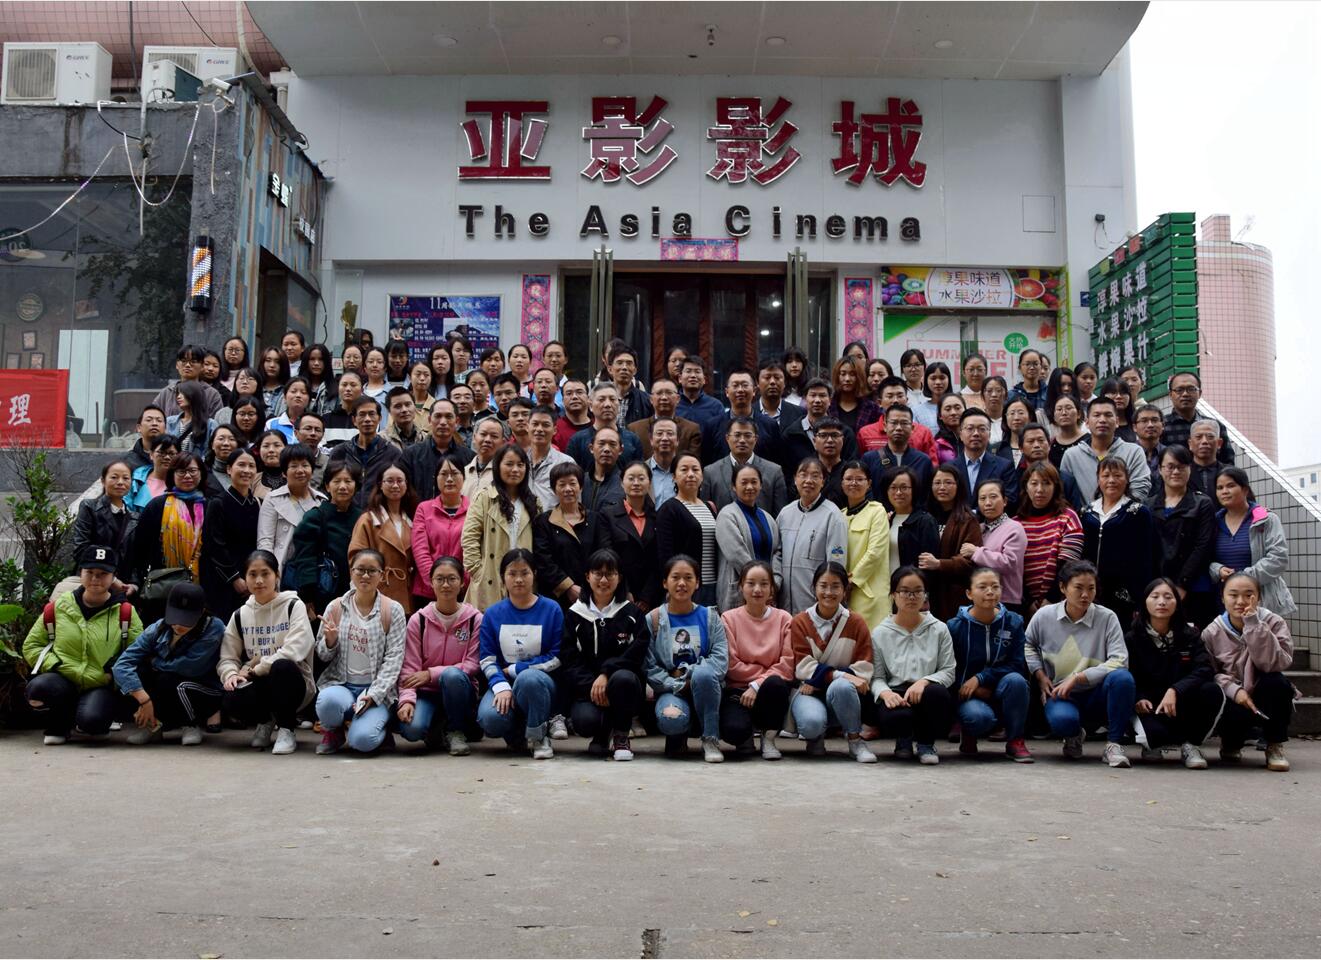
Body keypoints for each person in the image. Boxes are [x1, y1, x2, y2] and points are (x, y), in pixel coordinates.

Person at [23, 545, 144, 745]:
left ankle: (89, 720)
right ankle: (60, 724)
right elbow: (32, 645)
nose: (95, 579)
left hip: (100, 682)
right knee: (39, 689)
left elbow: (137, 653)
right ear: (81, 573)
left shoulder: (125, 613)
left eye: (103, 574)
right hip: (62, 677)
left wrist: (111, 674)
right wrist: (55, 664)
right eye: (90, 572)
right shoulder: (59, 606)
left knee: (93, 722)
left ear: (113, 577)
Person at [1024, 559, 1135, 767]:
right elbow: (1028, 644)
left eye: (1091, 588)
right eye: (1078, 588)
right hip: (1060, 693)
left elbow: (1120, 660)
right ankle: (1073, 734)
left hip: (1098, 691)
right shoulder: (1044, 616)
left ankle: (1114, 744)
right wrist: (1039, 674)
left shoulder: (1107, 617)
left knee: (1123, 679)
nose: (1085, 595)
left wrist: (1079, 677)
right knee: (1062, 722)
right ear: (1062, 587)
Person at [218, 550, 316, 756]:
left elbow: (294, 650)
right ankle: (265, 721)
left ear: (277, 576)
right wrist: (231, 674)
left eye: (265, 573)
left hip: (294, 681)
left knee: (282, 667)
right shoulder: (240, 614)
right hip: (260, 680)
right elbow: (227, 657)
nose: (259, 580)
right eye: (252, 574)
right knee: (231, 696)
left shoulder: (293, 605)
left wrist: (254, 670)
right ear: (245, 578)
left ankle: (287, 728)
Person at [313, 548, 407, 755]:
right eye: (360, 570)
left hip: (376, 689)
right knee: (327, 702)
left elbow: (394, 660)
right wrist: (330, 641)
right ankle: (334, 732)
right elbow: (322, 655)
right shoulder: (335, 607)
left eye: (372, 571)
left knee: (362, 741)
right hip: (342, 684)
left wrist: (373, 694)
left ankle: (380, 729)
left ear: (382, 575)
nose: (365, 575)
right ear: (351, 572)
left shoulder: (392, 610)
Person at [559, 548, 650, 760]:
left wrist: (606, 674)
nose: (603, 580)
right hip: (588, 690)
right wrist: (593, 686)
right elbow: (569, 659)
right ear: (587, 576)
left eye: (610, 574)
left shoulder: (632, 614)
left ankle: (621, 735)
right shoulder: (575, 614)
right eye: (598, 573)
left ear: (619, 577)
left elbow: (636, 654)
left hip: (625, 687)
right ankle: (601, 734)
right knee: (584, 722)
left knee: (624, 679)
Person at [1125, 578, 1224, 769]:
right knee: (1154, 736)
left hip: (1182, 702)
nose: (1161, 602)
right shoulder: (1133, 637)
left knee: (1212, 690)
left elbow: (1204, 669)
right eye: (1155, 596)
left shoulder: (1190, 634)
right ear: (1145, 602)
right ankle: (1152, 745)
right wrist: (1139, 697)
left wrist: (1176, 690)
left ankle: (1191, 745)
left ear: (1177, 603)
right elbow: (1129, 673)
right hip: (1150, 706)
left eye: (1168, 597)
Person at [1202, 572, 1295, 771]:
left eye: (1248, 595)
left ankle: (1274, 745)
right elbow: (1209, 672)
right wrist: (1235, 691)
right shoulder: (1212, 632)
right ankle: (1231, 742)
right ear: (1222, 598)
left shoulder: (1274, 622)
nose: (1240, 601)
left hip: (1263, 691)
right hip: (1233, 696)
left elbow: (1275, 664)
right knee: (1210, 692)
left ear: (1259, 598)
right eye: (1233, 595)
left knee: (1277, 683)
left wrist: (1254, 624)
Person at [477, 548, 563, 759]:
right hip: (505, 681)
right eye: (512, 573)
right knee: (490, 718)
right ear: (503, 577)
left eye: (525, 573)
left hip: (541, 683)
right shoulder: (492, 614)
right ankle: (516, 734)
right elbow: (487, 659)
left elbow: (557, 656)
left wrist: (518, 669)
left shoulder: (551, 609)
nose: (518, 579)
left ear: (534, 574)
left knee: (528, 679)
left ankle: (539, 736)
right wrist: (501, 686)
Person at [113, 582, 223, 746]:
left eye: (186, 620)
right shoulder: (157, 628)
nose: (178, 625)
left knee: (170, 680)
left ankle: (190, 725)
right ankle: (152, 726)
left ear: (201, 612)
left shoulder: (214, 627)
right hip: (165, 687)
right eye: (175, 618)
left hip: (203, 689)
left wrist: (154, 661)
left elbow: (190, 666)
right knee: (141, 672)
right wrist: (144, 701)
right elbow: (122, 664)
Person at [788, 562, 877, 763]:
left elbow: (864, 669)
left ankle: (855, 740)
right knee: (811, 723)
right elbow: (803, 666)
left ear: (845, 590)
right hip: (808, 694)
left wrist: (820, 680)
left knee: (842, 687)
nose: (829, 592)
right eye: (823, 586)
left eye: (836, 586)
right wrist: (841, 674)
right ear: (814, 588)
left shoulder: (856, 622)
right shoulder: (800, 622)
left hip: (842, 697)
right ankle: (815, 736)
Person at [644, 554, 729, 763]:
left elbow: (720, 661)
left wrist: (687, 673)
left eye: (688, 578)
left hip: (706, 688)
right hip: (671, 689)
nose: (682, 583)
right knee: (671, 720)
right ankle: (678, 735)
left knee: (704, 674)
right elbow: (649, 667)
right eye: (675, 577)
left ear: (697, 583)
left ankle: (710, 739)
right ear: (665, 583)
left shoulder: (710, 617)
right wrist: (679, 684)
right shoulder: (653, 619)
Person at [395, 556, 482, 755]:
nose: (446, 585)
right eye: (439, 579)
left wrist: (431, 674)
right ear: (430, 582)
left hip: (460, 688)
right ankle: (437, 725)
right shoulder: (419, 620)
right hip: (426, 692)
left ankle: (455, 731)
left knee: (452, 676)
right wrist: (407, 700)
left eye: (452, 579)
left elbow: (472, 664)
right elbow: (409, 667)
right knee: (412, 730)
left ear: (462, 582)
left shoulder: (475, 619)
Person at [870, 566, 956, 764]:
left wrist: (924, 682)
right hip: (897, 693)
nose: (911, 597)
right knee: (895, 716)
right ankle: (904, 740)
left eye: (918, 591)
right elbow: (877, 677)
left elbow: (948, 670)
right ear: (893, 595)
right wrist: (886, 694)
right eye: (904, 591)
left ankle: (926, 743)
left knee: (938, 694)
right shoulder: (880, 633)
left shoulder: (939, 629)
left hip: (927, 692)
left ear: (925, 595)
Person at [947, 567, 1033, 762]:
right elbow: (949, 667)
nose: (990, 592)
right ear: (969, 593)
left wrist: (982, 678)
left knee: (1017, 681)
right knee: (979, 718)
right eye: (982, 587)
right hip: (969, 693)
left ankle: (1015, 740)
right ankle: (968, 732)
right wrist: (972, 687)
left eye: (995, 586)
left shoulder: (1014, 622)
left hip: (1002, 688)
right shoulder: (954, 627)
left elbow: (1018, 664)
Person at [719, 560, 795, 760]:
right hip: (737, 692)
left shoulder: (784, 619)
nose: (757, 589)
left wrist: (758, 684)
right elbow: (731, 665)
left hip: (770, 690)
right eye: (751, 583)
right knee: (734, 730)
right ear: (741, 586)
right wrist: (760, 678)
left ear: (772, 589)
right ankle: (745, 736)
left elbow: (787, 665)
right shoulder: (728, 619)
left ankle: (768, 736)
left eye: (764, 584)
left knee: (776, 684)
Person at [127, 453, 210, 623]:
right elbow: (139, 549)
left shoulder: (210, 506)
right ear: (172, 475)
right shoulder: (157, 506)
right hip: (164, 587)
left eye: (192, 471)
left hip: (203, 585)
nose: (187, 476)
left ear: (201, 473)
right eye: (181, 471)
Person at [1080, 457, 1156, 627]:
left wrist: (1140, 597)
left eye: (1117, 475)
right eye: (1105, 475)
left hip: (1125, 594)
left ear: (1127, 479)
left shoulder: (1138, 512)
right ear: (1098, 479)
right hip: (1090, 592)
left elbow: (1145, 559)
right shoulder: (1086, 513)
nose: (1111, 480)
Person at [1210, 467, 1296, 617]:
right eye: (1220, 488)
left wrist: (1243, 577)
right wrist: (1217, 569)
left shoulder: (1266, 519)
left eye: (1230, 486)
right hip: (1225, 604)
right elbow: (1205, 558)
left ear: (1245, 490)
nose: (1224, 491)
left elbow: (1278, 558)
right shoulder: (1213, 522)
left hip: (1262, 602)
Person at [462, 445, 538, 610]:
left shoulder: (533, 502)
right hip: (490, 577)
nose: (515, 469)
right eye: (509, 464)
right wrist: (478, 572)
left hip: (522, 576)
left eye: (520, 465)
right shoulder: (484, 497)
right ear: (498, 466)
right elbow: (469, 537)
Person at [1150, 445, 1217, 628]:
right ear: (1160, 469)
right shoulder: (1149, 505)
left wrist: (1182, 584)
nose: (1176, 472)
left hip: (1194, 586)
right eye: (1170, 466)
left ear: (1190, 469)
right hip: (1158, 588)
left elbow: (1203, 546)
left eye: (1182, 466)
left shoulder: (1202, 503)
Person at [287, 462, 363, 622]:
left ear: (356, 486)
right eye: (336, 481)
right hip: (322, 593)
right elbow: (305, 558)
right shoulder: (315, 517)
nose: (342, 486)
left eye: (348, 481)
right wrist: (307, 597)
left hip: (356, 592)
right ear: (327, 486)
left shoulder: (362, 517)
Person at [775, 458, 848, 614]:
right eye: (803, 475)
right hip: (783, 603)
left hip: (815, 604)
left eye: (815, 476)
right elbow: (777, 553)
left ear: (823, 481)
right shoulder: (785, 513)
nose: (808, 480)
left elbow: (835, 563)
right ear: (795, 479)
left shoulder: (833, 516)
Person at [532, 461, 607, 610]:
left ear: (581, 487)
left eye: (572, 483)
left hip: (593, 593)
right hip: (555, 597)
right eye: (562, 484)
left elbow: (604, 553)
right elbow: (543, 559)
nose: (568, 489)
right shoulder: (543, 522)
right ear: (554, 489)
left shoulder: (595, 519)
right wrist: (568, 586)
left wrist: (592, 584)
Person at [201, 447, 261, 623]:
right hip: (223, 580)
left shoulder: (257, 504)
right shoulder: (218, 503)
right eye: (241, 465)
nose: (247, 470)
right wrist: (234, 578)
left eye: (251, 466)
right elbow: (214, 545)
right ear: (229, 469)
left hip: (252, 577)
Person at [1017, 461, 1084, 616]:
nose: (1040, 489)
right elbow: (1013, 568)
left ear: (1056, 487)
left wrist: (1051, 598)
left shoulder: (1068, 518)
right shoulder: (1016, 524)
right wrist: (1027, 602)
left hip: (1061, 601)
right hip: (1025, 605)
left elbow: (1069, 564)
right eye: (1034, 483)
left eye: (1046, 483)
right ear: (1026, 487)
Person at [348, 464, 417, 614]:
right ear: (380, 484)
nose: (395, 485)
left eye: (400, 481)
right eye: (390, 481)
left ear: (407, 484)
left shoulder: (413, 519)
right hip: (377, 592)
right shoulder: (368, 520)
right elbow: (355, 558)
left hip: (408, 594)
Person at [714, 464, 780, 612]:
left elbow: (777, 552)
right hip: (739, 592)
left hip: (767, 593)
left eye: (754, 482)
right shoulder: (727, 515)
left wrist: (774, 583)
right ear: (733, 486)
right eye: (744, 482)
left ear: (761, 485)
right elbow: (736, 554)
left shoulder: (768, 518)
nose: (749, 487)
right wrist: (760, 584)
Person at [655, 453, 719, 606]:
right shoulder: (669, 509)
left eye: (695, 470)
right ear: (674, 477)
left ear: (702, 476)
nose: (690, 474)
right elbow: (665, 554)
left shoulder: (710, 507)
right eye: (684, 470)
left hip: (714, 585)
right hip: (686, 587)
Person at [1060, 397, 1150, 504]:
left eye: (1108, 415)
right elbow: (1065, 494)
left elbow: (1140, 488)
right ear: (1087, 422)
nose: (1102, 420)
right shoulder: (1071, 456)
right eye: (1096, 415)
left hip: (1127, 513)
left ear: (1117, 422)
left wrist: (1116, 511)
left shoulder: (1133, 452)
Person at [920, 465, 981, 621]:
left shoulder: (968, 519)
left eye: (948, 482)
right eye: (937, 483)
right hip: (925, 591)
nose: (942, 487)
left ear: (958, 486)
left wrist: (940, 564)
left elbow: (970, 561)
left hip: (954, 595)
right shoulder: (923, 516)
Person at [599, 461, 661, 611]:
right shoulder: (607, 515)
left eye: (641, 478)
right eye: (631, 478)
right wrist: (623, 590)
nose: (636, 483)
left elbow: (659, 560)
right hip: (617, 592)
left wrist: (646, 596)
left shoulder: (658, 517)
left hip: (651, 596)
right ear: (622, 482)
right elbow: (608, 555)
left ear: (649, 483)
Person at [411, 455, 469, 607]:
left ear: (463, 477)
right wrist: (436, 582)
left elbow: (476, 550)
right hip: (427, 591)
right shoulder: (424, 509)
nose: (449, 479)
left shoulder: (474, 509)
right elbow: (420, 549)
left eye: (454, 473)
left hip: (464, 590)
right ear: (436, 478)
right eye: (443, 474)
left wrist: (461, 582)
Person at [700, 415, 788, 516]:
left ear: (756, 439)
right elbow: (706, 515)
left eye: (747, 435)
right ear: (727, 438)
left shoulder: (774, 471)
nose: (742, 440)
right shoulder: (711, 472)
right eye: (737, 435)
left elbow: (780, 515)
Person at [72, 460, 139, 592]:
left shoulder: (135, 518)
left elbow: (136, 557)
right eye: (114, 477)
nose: (120, 482)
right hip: (92, 582)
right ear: (103, 481)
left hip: (123, 587)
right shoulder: (89, 508)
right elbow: (81, 549)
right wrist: (111, 579)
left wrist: (134, 584)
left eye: (126, 478)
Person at [256, 444, 326, 569]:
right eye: (294, 466)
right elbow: (265, 541)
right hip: (281, 567)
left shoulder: (321, 501)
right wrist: (270, 571)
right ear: (284, 473)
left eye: (305, 465)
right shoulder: (272, 499)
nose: (300, 470)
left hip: (313, 568)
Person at [327, 395, 403, 508]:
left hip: (379, 512)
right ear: (354, 420)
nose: (367, 419)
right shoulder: (340, 452)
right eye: (362, 414)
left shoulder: (392, 453)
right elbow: (329, 485)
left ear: (380, 418)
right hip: (345, 512)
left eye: (371, 414)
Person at [963, 479, 1026, 613]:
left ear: (1005, 501)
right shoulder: (978, 528)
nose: (988, 503)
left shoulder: (1014, 528)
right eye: (982, 498)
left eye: (993, 497)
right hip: (978, 598)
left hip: (1006, 600)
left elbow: (1009, 562)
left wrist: (976, 553)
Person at [840, 460, 890, 626]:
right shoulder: (839, 515)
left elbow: (875, 552)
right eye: (849, 479)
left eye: (859, 479)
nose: (854, 483)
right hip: (842, 593)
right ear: (842, 483)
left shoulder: (877, 511)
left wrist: (851, 581)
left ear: (868, 484)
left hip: (870, 594)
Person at [782, 377, 860, 476]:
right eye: (813, 395)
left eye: (822, 395)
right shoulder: (791, 434)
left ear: (830, 400)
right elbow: (787, 472)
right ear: (805, 399)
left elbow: (852, 467)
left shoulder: (844, 432)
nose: (817, 400)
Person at [401, 399, 475, 502]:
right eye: (438, 416)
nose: (443, 422)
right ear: (429, 420)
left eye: (448, 416)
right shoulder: (411, 455)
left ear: (457, 421)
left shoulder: (470, 457)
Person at [949, 408, 1019, 514]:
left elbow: (1010, 499)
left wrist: (975, 514)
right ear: (961, 434)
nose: (976, 433)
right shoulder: (950, 468)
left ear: (989, 435)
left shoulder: (1004, 466)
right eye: (970, 428)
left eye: (982, 429)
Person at [861, 399, 934, 499]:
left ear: (912, 428)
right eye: (894, 423)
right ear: (885, 426)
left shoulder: (923, 461)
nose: (899, 428)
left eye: (904, 423)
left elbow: (926, 495)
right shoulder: (870, 459)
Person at [1161, 371, 1234, 464]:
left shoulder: (1215, 426)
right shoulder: (1162, 426)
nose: (1185, 394)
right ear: (1170, 395)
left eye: (1191, 389)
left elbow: (1228, 462)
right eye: (1179, 390)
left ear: (1199, 393)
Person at [627, 377, 703, 460]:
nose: (664, 397)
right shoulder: (635, 429)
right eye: (659, 393)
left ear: (678, 399)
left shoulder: (691, 430)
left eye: (669, 393)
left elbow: (692, 462)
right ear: (651, 399)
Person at [880, 466, 939, 572]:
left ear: (914, 490)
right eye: (893, 488)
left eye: (904, 487)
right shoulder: (885, 520)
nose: (898, 492)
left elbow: (928, 565)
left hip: (911, 581)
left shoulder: (925, 521)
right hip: (885, 581)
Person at [1018, 422, 1084, 512]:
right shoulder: (1015, 477)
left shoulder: (1066, 479)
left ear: (1049, 445)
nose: (1036, 445)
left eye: (1041, 440)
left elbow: (1075, 511)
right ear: (1021, 448)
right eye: (1031, 441)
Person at [151, 344, 225, 420]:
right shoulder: (167, 392)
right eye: (183, 361)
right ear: (177, 365)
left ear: (202, 366)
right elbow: (153, 416)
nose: (188, 365)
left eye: (193, 361)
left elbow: (217, 423)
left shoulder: (212, 394)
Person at [526, 405, 575, 511]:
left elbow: (574, 504)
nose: (539, 429)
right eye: (535, 424)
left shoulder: (565, 462)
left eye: (545, 425)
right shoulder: (520, 461)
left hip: (553, 520)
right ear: (527, 427)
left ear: (555, 430)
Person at [827, 356, 881, 435]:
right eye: (843, 374)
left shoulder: (872, 408)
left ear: (859, 377)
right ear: (837, 376)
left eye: (852, 374)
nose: (847, 379)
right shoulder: (828, 406)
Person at [675, 356, 725, 438]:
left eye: (697, 372)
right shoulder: (672, 404)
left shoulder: (716, 406)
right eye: (688, 371)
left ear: (704, 379)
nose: (693, 375)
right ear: (680, 378)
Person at [128, 434, 179, 511]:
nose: (167, 457)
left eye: (171, 454)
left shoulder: (183, 482)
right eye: (162, 453)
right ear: (151, 454)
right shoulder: (136, 480)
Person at [167, 381, 216, 454]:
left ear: (194, 395)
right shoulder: (170, 422)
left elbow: (211, 452)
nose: (178, 397)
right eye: (178, 393)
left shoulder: (210, 424)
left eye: (182, 393)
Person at [462, 417, 505, 500]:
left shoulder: (504, 473)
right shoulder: (463, 472)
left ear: (503, 443)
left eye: (494, 436)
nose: (487, 440)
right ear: (474, 438)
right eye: (483, 434)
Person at [757, 360, 807, 429]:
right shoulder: (749, 413)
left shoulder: (799, 413)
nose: (772, 382)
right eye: (767, 378)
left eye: (777, 377)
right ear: (757, 382)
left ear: (785, 382)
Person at [1185, 419, 1225, 499]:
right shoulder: (1181, 473)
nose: (1204, 441)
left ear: (1219, 443)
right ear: (1190, 444)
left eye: (1210, 437)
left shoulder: (1231, 473)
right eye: (1198, 437)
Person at [1046, 394, 1087, 467]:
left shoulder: (1089, 441)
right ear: (1054, 416)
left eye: (1068, 408)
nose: (1064, 413)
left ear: (1079, 414)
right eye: (1059, 409)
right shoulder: (1050, 444)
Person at [912, 361, 953, 433]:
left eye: (942, 378)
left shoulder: (956, 408)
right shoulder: (916, 411)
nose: (938, 382)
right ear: (926, 381)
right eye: (933, 378)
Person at [266, 377, 311, 442]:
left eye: (303, 392)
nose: (298, 395)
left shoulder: (315, 425)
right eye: (293, 391)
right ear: (284, 397)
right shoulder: (271, 424)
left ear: (309, 400)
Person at [553, 379, 593, 452]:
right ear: (562, 400)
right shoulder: (555, 429)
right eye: (569, 393)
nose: (574, 397)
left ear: (588, 398)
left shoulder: (598, 426)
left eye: (579, 392)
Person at [997, 399, 1035, 466]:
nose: (1016, 418)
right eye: (1012, 413)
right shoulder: (997, 447)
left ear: (1030, 417)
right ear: (1005, 417)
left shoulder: (1037, 446)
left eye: (1021, 413)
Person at [1132, 404, 1167, 477]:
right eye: (1144, 421)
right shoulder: (1128, 454)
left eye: (1154, 420)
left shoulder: (1169, 454)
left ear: (1163, 425)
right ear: (1135, 427)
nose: (1150, 425)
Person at [302, 344, 337, 416]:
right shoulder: (297, 385)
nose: (316, 363)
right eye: (312, 359)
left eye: (321, 359)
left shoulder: (335, 388)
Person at [1010, 348, 1047, 414]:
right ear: (1020, 368)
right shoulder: (1011, 395)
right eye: (1027, 364)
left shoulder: (1049, 393)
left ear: (1041, 367)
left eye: (1035, 364)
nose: (1032, 368)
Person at [253, 429, 288, 499]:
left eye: (277, 445)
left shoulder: (295, 476)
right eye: (266, 446)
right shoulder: (252, 479)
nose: (271, 450)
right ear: (259, 450)